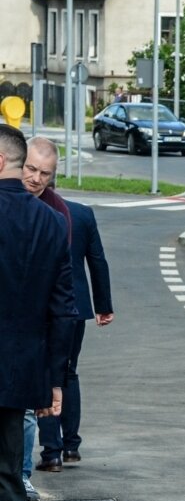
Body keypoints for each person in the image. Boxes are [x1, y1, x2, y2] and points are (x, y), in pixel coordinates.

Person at [0, 124, 73, 501]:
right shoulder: (51, 224)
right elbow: (63, 310)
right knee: (9, 477)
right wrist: (55, 381)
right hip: (23, 369)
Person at [23, 138, 111, 472]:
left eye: (42, 172)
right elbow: (98, 263)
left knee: (50, 376)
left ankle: (52, 452)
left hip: (53, 309)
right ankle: (71, 444)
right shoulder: (81, 214)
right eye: (32, 169)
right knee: (66, 374)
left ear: (52, 176)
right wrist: (103, 305)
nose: (36, 177)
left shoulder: (51, 213)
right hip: (77, 309)